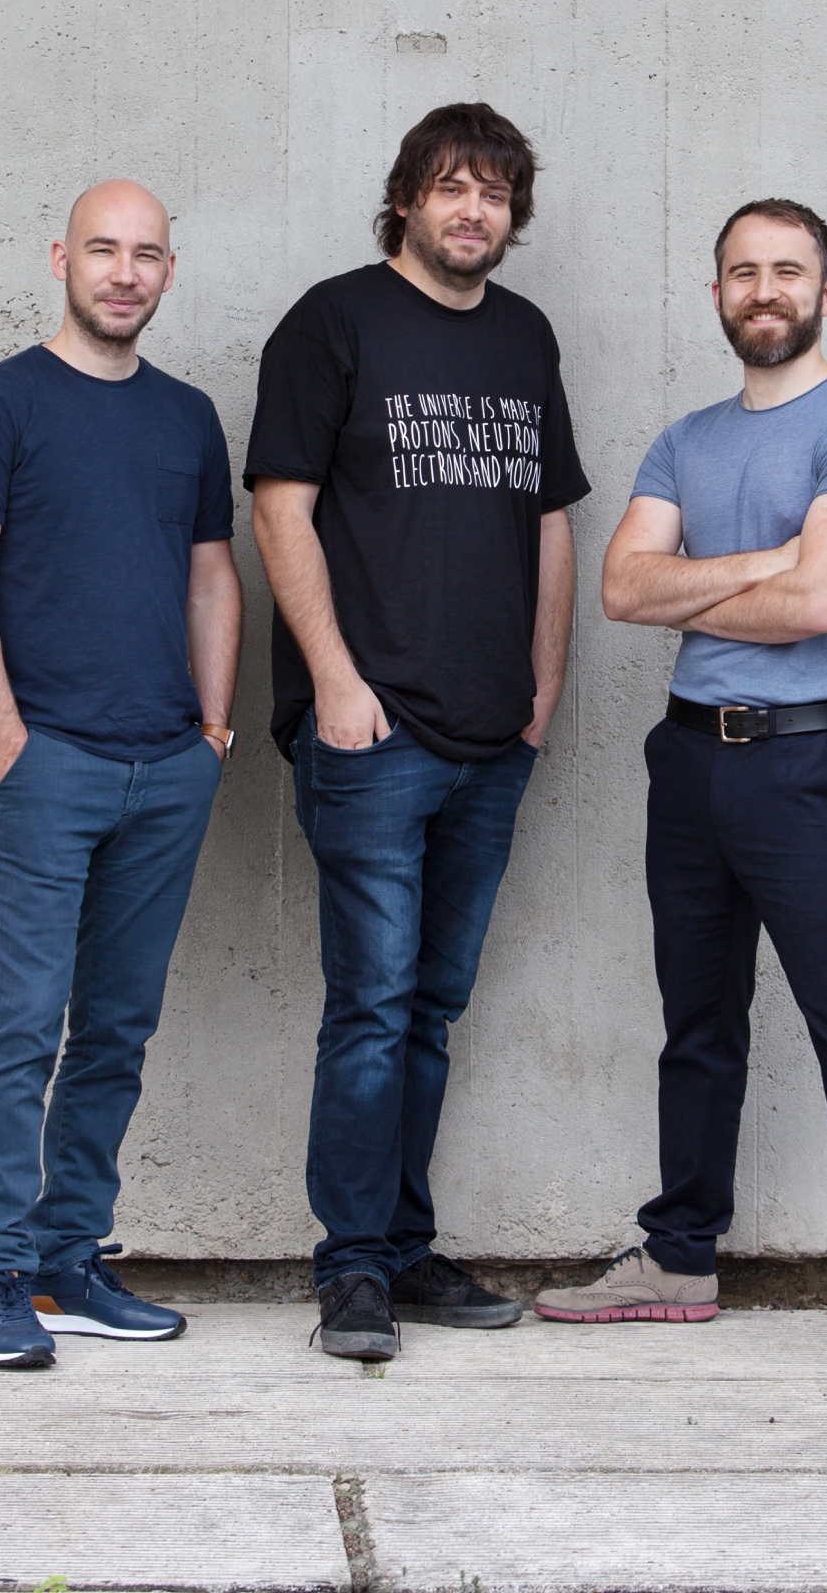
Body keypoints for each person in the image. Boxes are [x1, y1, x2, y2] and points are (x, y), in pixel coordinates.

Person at [535, 199, 827, 1375]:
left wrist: (708, 581)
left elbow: (818, 604)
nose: (764, 290)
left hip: (809, 764)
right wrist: (771, 557)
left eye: (787, 271)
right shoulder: (685, 441)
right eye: (742, 271)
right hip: (689, 763)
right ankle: (680, 1253)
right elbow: (622, 589)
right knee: (698, 1020)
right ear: (716, 291)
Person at [244, 103, 590, 1361]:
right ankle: (351, 1268)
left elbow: (550, 520)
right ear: (406, 199)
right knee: (373, 1006)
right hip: (372, 734)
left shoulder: (525, 335)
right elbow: (280, 508)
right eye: (451, 187)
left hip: (493, 740)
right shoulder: (332, 322)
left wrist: (543, 688)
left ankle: (401, 1248)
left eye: (494, 193)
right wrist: (335, 682)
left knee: (430, 1008)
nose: (472, 211)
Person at [0, 180, 242, 1369]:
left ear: (169, 272)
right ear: (61, 259)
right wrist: (7, 735)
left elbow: (211, 577)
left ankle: (69, 1257)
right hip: (46, 765)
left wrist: (213, 730)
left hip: (166, 767)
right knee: (22, 1023)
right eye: (103, 249)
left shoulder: (188, 417)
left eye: (146, 253)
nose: (124, 272)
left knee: (115, 1029)